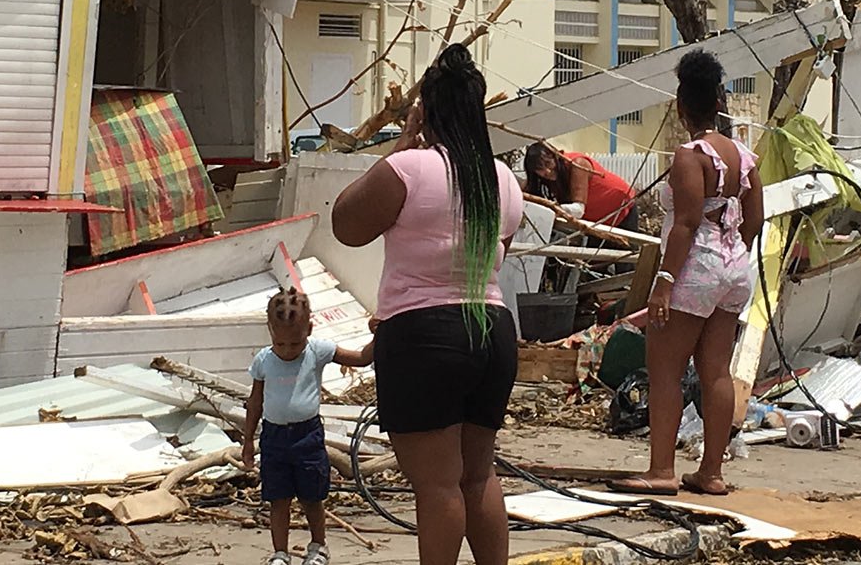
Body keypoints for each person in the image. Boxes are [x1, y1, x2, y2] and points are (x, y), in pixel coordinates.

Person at [329, 43, 524, 565]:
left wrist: (400, 145)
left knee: (437, 487)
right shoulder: (503, 179)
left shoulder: (410, 168)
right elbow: (493, 254)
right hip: (492, 329)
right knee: (478, 474)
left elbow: (345, 224)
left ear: (426, 110)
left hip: (424, 337)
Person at [607, 50, 762, 497]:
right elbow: (754, 221)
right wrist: (732, 253)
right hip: (734, 267)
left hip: (694, 269)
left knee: (665, 370)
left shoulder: (689, 155)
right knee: (716, 371)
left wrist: (664, 281)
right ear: (719, 99)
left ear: (680, 105)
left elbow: (687, 225)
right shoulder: (746, 157)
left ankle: (661, 471)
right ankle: (711, 472)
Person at [244, 287, 375, 565]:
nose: (288, 351)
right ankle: (280, 553)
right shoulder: (263, 361)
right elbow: (255, 403)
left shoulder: (318, 351)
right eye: (281, 344)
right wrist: (247, 443)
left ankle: (318, 547)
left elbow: (363, 358)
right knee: (278, 499)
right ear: (270, 332)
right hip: (273, 438)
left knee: (312, 497)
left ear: (309, 329)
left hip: (308, 437)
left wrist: (380, 332)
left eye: (295, 344)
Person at [523, 143, 639, 230]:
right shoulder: (548, 180)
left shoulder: (577, 164)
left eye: (548, 164)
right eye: (540, 169)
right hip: (596, 222)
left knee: (625, 260)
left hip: (622, 210)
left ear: (555, 156)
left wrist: (550, 211)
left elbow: (578, 210)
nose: (547, 171)